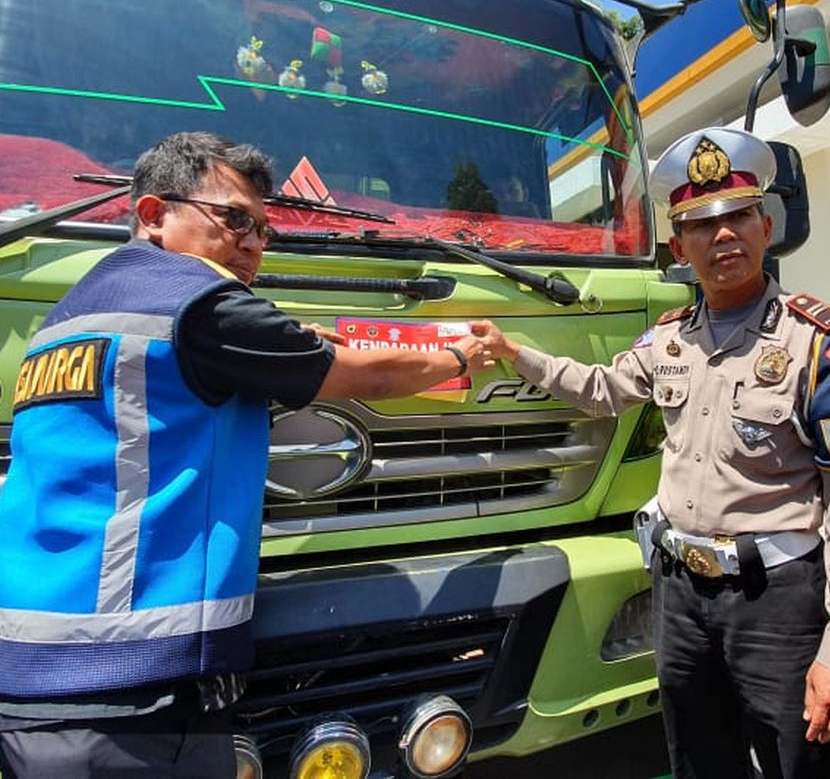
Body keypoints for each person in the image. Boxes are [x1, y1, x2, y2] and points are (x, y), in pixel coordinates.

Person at [0, 131, 493, 778]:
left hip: (32, 668)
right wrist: (462, 358)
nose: (255, 244)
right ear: (153, 214)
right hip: (130, 687)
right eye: (234, 220)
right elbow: (365, 378)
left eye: (265, 230)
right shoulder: (194, 301)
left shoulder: (71, 314)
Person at [472, 127, 830, 778]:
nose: (724, 236)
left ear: (766, 226)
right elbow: (601, 391)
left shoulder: (820, 342)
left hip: (776, 597)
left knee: (798, 763)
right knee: (697, 757)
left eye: (739, 216)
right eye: (701, 224)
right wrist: (515, 353)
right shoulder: (668, 340)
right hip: (681, 592)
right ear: (676, 247)